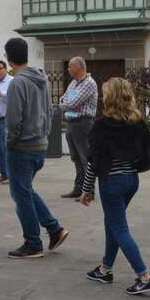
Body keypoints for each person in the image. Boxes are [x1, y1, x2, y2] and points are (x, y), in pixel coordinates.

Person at [79, 78, 150, 295]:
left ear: (110, 97)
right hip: (131, 180)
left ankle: (144, 276)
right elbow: (146, 148)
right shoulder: (136, 120)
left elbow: (93, 161)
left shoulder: (102, 124)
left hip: (112, 182)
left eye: (104, 93)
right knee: (112, 222)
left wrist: (87, 189)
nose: (102, 97)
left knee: (120, 228)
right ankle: (105, 268)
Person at [4, 38, 69, 258]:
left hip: (22, 147)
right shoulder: (41, 80)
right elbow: (49, 111)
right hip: (40, 144)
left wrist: (10, 143)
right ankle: (54, 229)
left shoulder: (17, 82)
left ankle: (33, 243)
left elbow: (14, 120)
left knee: (21, 194)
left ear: (8, 58)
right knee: (25, 191)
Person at [59, 57, 98, 199]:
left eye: (70, 66)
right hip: (71, 124)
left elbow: (73, 102)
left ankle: (89, 191)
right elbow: (62, 100)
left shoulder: (89, 83)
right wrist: (67, 102)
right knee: (75, 158)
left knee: (85, 158)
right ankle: (78, 188)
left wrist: (66, 102)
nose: (68, 69)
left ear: (79, 67)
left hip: (83, 123)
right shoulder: (73, 83)